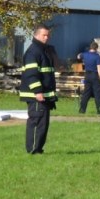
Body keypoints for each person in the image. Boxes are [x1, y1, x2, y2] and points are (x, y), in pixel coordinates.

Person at [19, 25, 58, 154]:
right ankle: (33, 150)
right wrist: (38, 91)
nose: (46, 38)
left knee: (43, 124)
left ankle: (38, 149)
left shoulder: (43, 50)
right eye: (44, 35)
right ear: (36, 35)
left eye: (48, 35)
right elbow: (31, 74)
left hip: (44, 94)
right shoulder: (33, 51)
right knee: (37, 122)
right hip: (36, 95)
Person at [77, 41, 100, 114]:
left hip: (87, 75)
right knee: (97, 93)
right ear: (96, 48)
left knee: (86, 93)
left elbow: (78, 56)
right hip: (94, 75)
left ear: (90, 48)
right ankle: (98, 109)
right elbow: (99, 68)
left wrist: (80, 56)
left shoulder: (85, 54)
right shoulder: (97, 57)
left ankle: (82, 109)